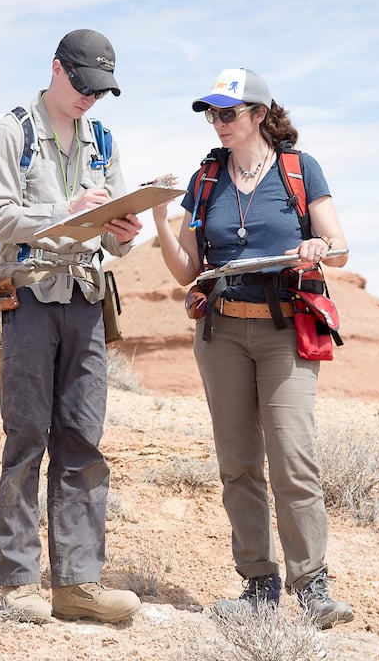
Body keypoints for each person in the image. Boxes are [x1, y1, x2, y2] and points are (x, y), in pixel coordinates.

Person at [152, 68, 355, 628]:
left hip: (284, 332)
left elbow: (340, 247)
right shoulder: (206, 178)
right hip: (221, 335)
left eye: (228, 112)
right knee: (238, 463)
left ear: (259, 114)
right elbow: (187, 271)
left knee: (293, 459)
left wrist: (317, 246)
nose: (217, 123)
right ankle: (259, 586)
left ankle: (312, 588)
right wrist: (159, 218)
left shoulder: (299, 168)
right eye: (211, 114)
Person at [0, 29, 142, 624]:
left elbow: (113, 234)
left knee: (82, 440)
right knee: (26, 438)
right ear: (56, 69)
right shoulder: (11, 132)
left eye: (100, 91)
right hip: (28, 299)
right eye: (83, 85)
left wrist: (124, 234)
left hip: (86, 300)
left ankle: (78, 584)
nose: (89, 99)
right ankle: (16, 583)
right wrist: (64, 212)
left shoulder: (103, 140)